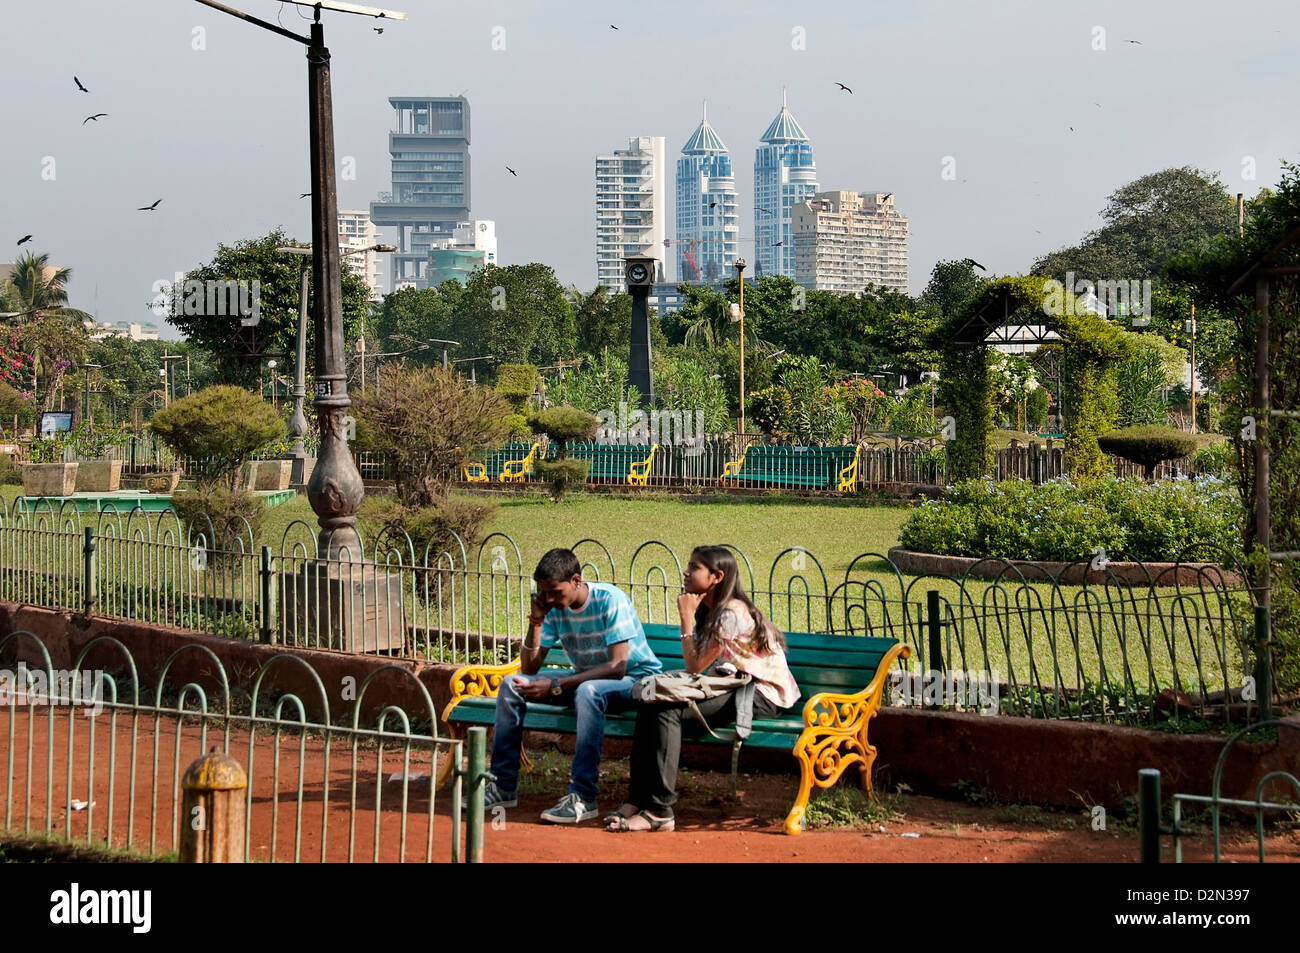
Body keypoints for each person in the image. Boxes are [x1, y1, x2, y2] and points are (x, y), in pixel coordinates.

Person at [606, 545, 800, 832]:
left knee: (665, 712)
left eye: (695, 567)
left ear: (717, 576)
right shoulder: (713, 610)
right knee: (651, 704)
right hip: (733, 685)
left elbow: (694, 665)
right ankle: (638, 800)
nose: (686, 572)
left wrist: (685, 617)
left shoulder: (731, 612)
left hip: (761, 693)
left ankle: (660, 812)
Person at [481, 547, 662, 824]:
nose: (550, 599)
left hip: (637, 682)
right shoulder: (553, 608)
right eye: (544, 593)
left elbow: (617, 667)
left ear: (576, 581)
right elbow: (530, 668)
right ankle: (502, 786)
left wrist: (557, 684)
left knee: (589, 691)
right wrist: (537, 621)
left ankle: (583, 796)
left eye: (555, 592)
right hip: (586, 685)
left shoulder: (609, 600)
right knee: (511, 684)